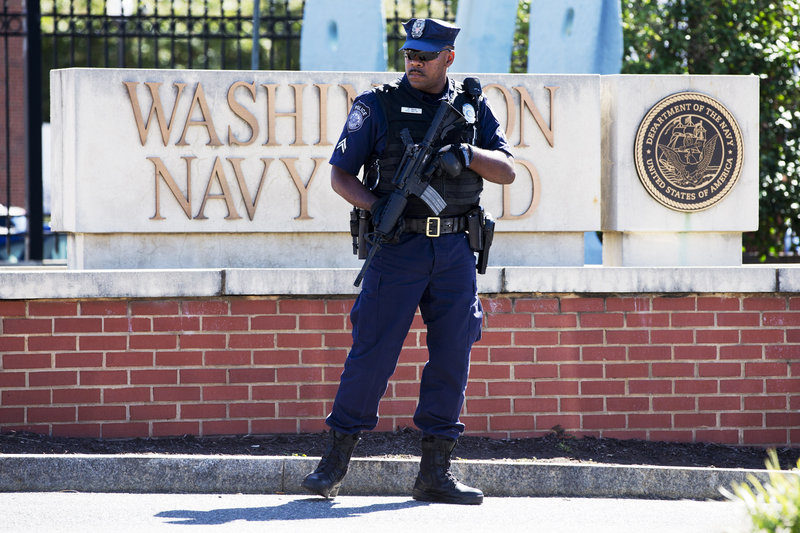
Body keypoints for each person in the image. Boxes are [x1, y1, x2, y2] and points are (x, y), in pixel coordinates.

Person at [302, 17, 515, 505]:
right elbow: (340, 176)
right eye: (409, 55)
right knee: (372, 354)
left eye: (424, 55)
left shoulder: (472, 106)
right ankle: (333, 465)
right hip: (397, 249)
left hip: (456, 250)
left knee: (451, 358)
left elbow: (507, 170)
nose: (414, 62)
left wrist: (467, 152)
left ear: (449, 58)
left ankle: (435, 473)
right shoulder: (375, 105)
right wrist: (379, 210)